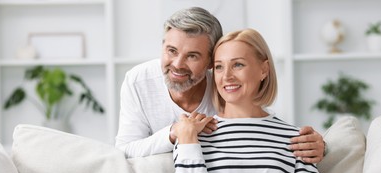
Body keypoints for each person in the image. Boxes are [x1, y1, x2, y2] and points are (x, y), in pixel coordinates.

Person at [172, 28, 330, 173]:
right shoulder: (195, 134)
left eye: (238, 65)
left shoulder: (294, 137)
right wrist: (186, 142)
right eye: (218, 67)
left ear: (264, 69)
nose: (226, 76)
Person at [115, 7, 326, 162]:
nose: (178, 64)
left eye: (192, 56)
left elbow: (258, 129)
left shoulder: (224, 83)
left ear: (210, 61)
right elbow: (123, 151)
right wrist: (174, 132)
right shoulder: (138, 80)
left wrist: (320, 146)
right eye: (171, 51)